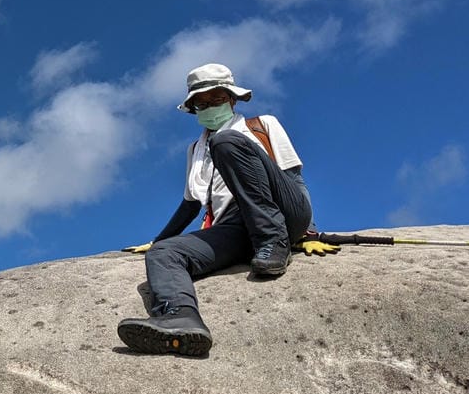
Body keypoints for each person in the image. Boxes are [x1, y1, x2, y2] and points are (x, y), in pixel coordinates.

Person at [115, 63, 337, 357]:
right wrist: (158, 240)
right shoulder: (195, 150)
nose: (209, 107)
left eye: (216, 98)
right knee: (165, 254)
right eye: (201, 103)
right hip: (235, 227)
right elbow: (190, 204)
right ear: (193, 109)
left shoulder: (261, 125)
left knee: (227, 141)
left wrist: (306, 229)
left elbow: (294, 179)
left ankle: (274, 242)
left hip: (282, 213)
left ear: (232, 99)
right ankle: (179, 317)